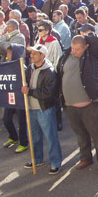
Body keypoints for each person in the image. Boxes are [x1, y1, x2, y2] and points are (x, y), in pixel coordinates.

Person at [57, 34, 98, 175]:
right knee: (80, 135)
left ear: (86, 47)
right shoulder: (66, 56)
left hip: (91, 105)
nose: (75, 51)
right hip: (70, 105)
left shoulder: (92, 55)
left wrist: (86, 35)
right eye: (73, 48)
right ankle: (86, 158)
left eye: (78, 49)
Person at [21, 44, 62, 174]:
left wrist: (30, 92)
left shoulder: (50, 72)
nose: (31, 56)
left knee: (50, 137)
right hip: (31, 109)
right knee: (34, 136)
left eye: (34, 53)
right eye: (31, 53)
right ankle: (37, 159)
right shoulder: (30, 69)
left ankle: (55, 162)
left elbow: (48, 93)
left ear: (42, 56)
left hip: (45, 109)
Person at [1, 43, 29, 153]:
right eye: (7, 52)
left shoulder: (23, 67)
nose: (8, 54)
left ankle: (24, 143)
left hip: (20, 98)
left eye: (10, 52)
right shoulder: (7, 64)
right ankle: (13, 137)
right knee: (6, 119)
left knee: (22, 122)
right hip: (10, 97)